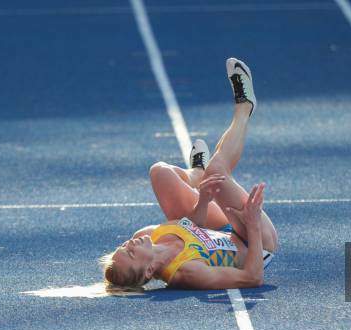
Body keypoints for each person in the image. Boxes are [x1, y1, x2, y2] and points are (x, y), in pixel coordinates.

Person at [99, 58, 277, 290]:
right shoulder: (188, 273)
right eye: (131, 253)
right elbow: (253, 278)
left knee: (160, 172)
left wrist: (203, 200)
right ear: (150, 270)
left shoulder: (149, 235)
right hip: (254, 243)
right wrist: (252, 225)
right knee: (217, 172)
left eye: (123, 246)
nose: (130, 243)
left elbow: (191, 225)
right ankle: (245, 106)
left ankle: (196, 173)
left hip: (217, 229)